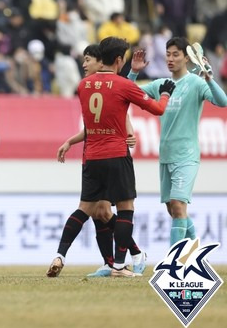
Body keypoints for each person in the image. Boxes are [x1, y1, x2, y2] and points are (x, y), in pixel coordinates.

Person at [47, 37, 176, 278]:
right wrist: (166, 93)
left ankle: (61, 255)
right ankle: (118, 265)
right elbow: (157, 109)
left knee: (87, 210)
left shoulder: (83, 86)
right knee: (125, 210)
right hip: (116, 154)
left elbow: (104, 111)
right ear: (119, 60)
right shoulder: (123, 85)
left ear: (100, 58)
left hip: (92, 157)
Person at [56, 44, 146, 277]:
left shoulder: (96, 86)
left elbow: (120, 109)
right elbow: (96, 125)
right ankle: (116, 262)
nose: (84, 64)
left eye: (88, 60)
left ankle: (120, 261)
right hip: (95, 155)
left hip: (104, 155)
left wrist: (128, 130)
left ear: (100, 62)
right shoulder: (91, 87)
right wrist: (71, 141)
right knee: (101, 213)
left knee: (101, 211)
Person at [127, 38, 227, 245]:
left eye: (176, 54)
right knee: (173, 210)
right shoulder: (161, 85)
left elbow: (222, 102)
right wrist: (134, 72)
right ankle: (196, 254)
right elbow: (126, 93)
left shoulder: (196, 83)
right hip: (166, 155)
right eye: (168, 54)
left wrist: (209, 79)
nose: (170, 59)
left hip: (187, 155)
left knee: (178, 205)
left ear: (187, 58)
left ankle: (174, 264)